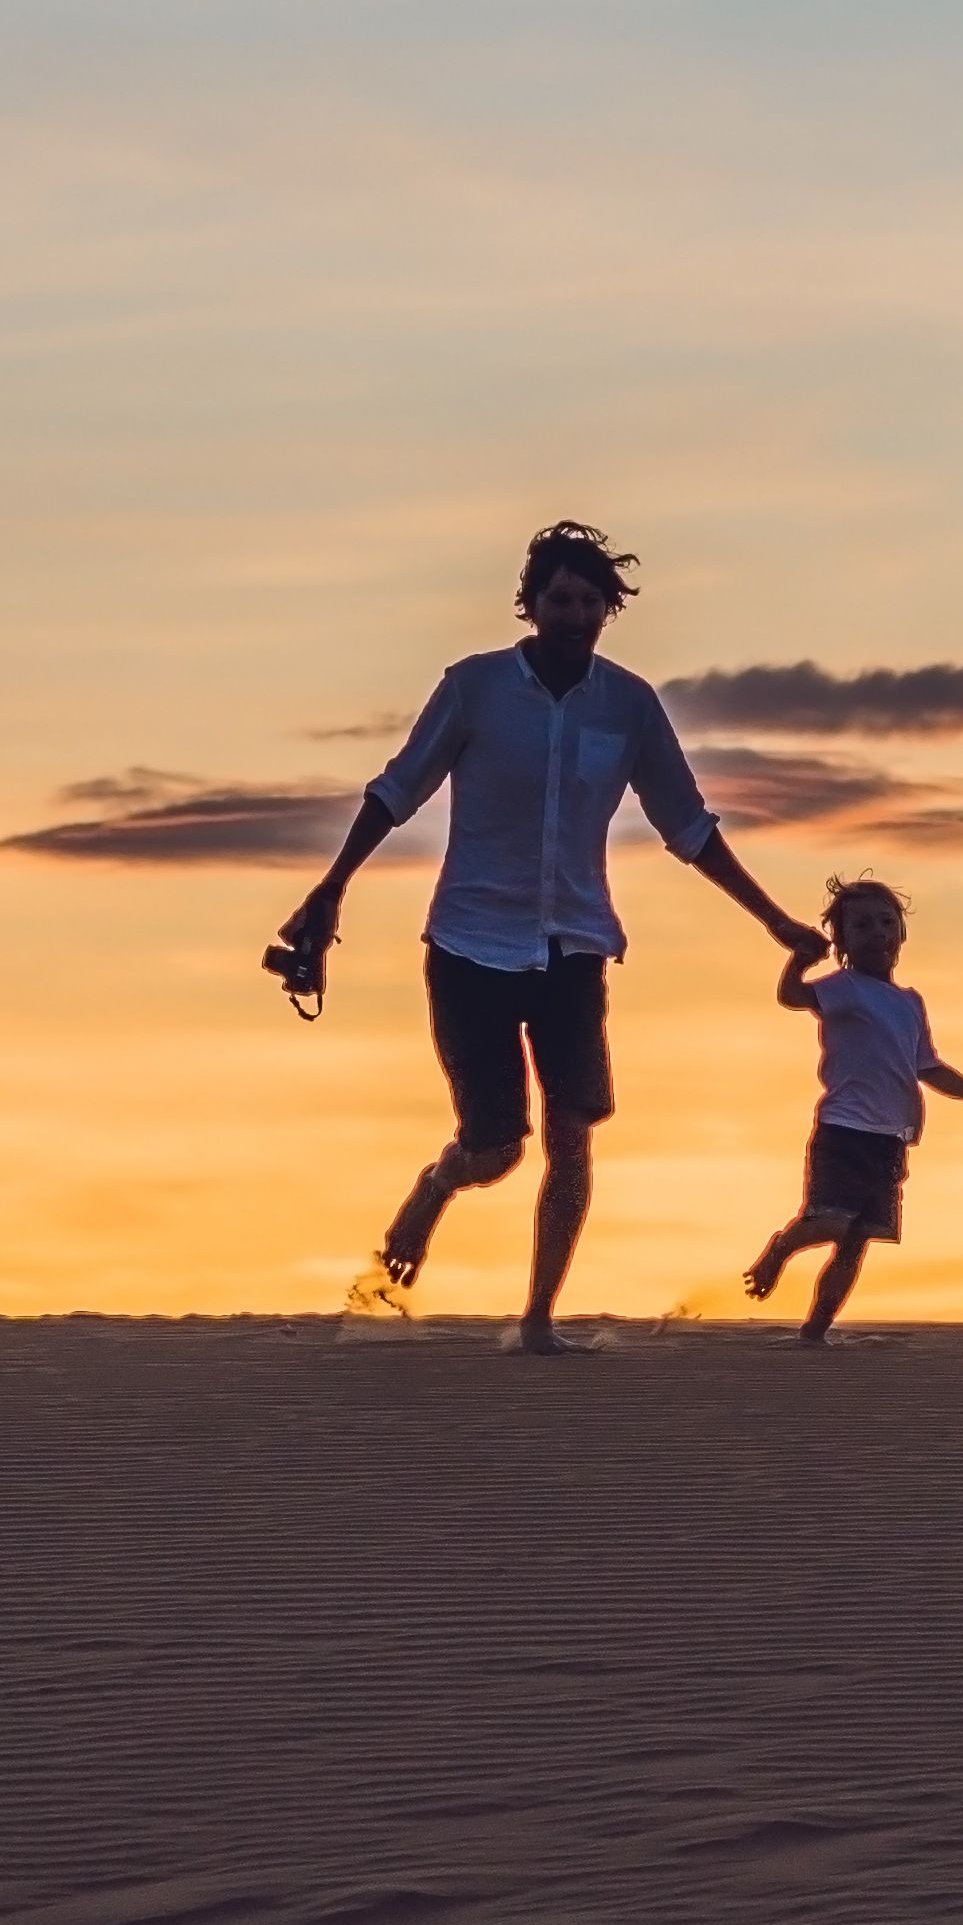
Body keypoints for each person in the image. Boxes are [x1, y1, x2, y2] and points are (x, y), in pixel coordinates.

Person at [273, 521, 828, 1353]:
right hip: (470, 945)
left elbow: (688, 826)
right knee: (496, 1148)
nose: (574, 615)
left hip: (574, 946)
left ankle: (536, 1321)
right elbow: (396, 791)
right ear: (530, 606)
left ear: (610, 610)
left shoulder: (630, 705)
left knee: (573, 1135)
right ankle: (435, 1187)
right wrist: (330, 888)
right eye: (558, 600)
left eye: (589, 602)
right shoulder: (474, 686)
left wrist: (775, 918)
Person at [746, 875, 963, 1338]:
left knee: (856, 1241)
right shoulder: (844, 987)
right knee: (829, 1221)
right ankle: (780, 1248)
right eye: (862, 926)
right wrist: (799, 960)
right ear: (843, 941)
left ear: (901, 934)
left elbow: (928, 1067)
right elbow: (791, 996)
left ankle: (815, 1330)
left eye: (885, 923)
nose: (877, 932)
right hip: (844, 1129)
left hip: (892, 1137)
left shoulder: (910, 1003)